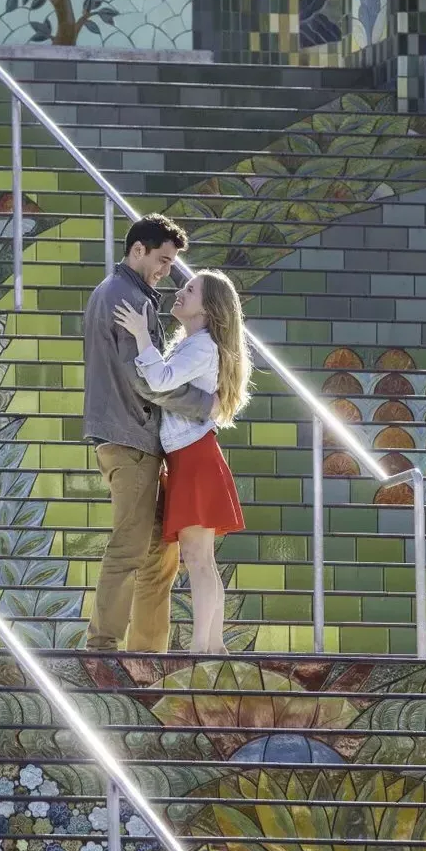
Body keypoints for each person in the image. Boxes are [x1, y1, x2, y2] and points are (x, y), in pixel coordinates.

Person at [81, 215, 216, 660]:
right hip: (130, 439)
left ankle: (147, 653)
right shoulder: (125, 297)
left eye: (171, 262)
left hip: (138, 440)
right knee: (130, 545)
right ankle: (103, 648)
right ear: (137, 249)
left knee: (161, 553)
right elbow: (146, 382)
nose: (166, 270)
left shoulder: (126, 294)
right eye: (162, 259)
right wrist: (204, 404)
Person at [113, 269, 251, 655]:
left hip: (193, 457)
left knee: (198, 559)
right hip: (190, 456)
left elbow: (159, 380)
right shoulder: (192, 342)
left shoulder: (202, 346)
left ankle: (204, 646)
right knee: (200, 558)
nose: (181, 292)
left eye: (190, 290)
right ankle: (212, 644)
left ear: (208, 308)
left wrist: (141, 334)